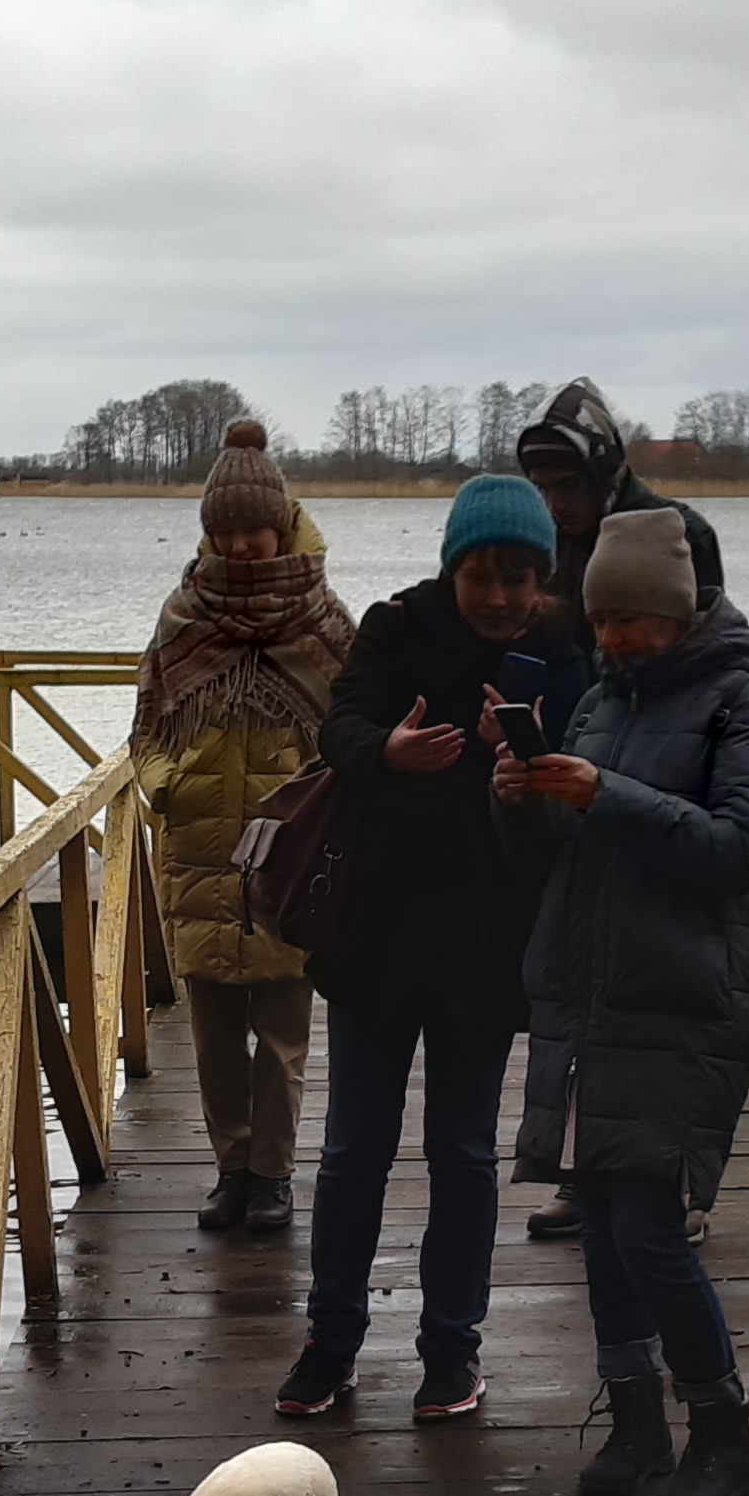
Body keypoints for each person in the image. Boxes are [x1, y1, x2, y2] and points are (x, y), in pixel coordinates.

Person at [493, 502, 749, 1496]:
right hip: (592, 996)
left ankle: (724, 1436)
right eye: (603, 621)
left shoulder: (745, 709)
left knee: (651, 1230)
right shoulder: (601, 705)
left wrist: (605, 796)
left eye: (632, 620)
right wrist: (528, 798)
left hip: (683, 998)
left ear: (677, 613)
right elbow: (567, 859)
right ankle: (636, 1424)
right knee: (608, 1228)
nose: (615, 638)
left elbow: (739, 853)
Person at [274, 474, 564, 1424]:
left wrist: (531, 767)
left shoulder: (564, 651)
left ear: (543, 579)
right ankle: (331, 1343)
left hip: (486, 946)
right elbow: (339, 724)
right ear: (455, 568)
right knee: (354, 1152)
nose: (501, 597)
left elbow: (589, 776)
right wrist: (387, 754)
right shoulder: (397, 628)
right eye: (484, 574)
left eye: (520, 577)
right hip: (378, 938)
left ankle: (451, 1351)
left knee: (463, 1155)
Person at [508, 378, 720, 1235]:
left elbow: (703, 659)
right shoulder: (547, 547)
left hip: (663, 790)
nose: (558, 504)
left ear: (605, 473)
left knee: (668, 1005)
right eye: (546, 489)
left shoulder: (677, 534)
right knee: (582, 997)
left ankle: (677, 1192)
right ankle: (583, 1176)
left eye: (569, 487)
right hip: (571, 784)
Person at [132, 419, 352, 1233]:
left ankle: (274, 1175)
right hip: (198, 847)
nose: (242, 545)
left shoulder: (327, 622)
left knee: (284, 1033)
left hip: (291, 858)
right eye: (225, 532)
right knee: (215, 1034)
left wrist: (319, 811)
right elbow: (147, 726)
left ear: (283, 523)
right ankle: (232, 1169)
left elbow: (355, 737)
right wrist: (167, 787)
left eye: (253, 529)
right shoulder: (182, 616)